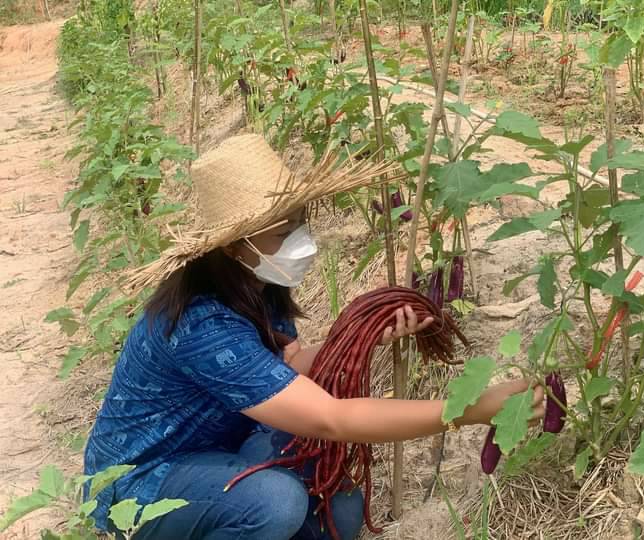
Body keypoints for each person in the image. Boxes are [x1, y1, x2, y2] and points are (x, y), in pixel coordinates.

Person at [84, 134, 544, 540]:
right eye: (283, 232)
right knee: (275, 503)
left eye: (300, 223)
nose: (299, 240)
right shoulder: (200, 324)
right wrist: (469, 410)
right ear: (232, 244)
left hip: (221, 447)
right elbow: (330, 418)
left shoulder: (258, 283)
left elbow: (283, 369)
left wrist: (365, 334)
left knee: (338, 510)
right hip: (142, 480)